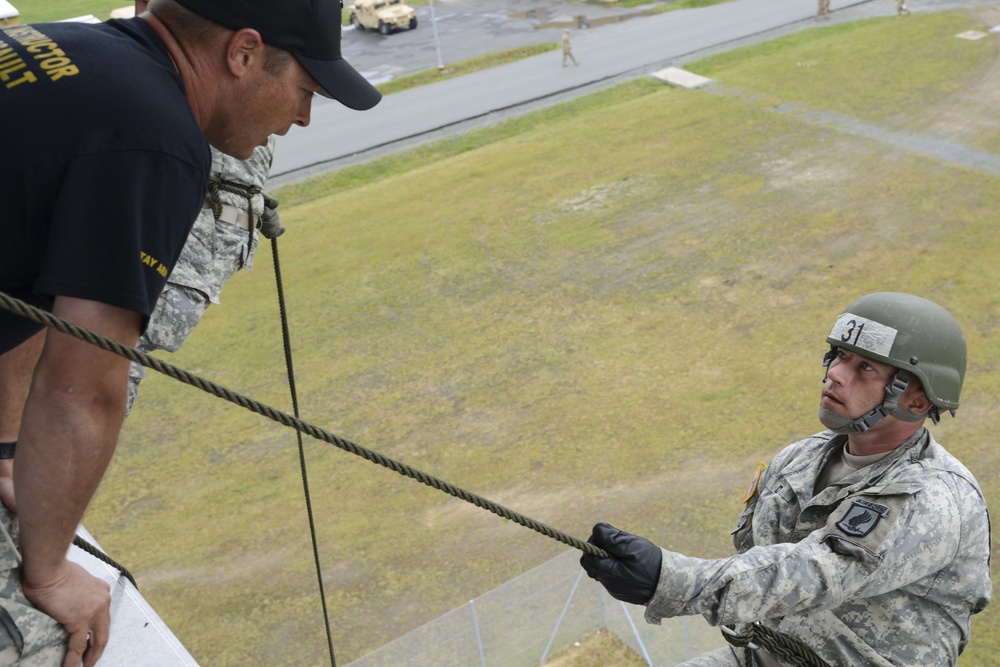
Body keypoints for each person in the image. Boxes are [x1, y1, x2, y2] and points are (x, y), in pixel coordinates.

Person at [0, 1, 380, 665]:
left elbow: (30, 289)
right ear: (244, 54)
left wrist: (7, 448)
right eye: (305, 91)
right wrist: (50, 571)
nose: (302, 119)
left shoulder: (67, 49)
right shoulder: (157, 137)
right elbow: (78, 390)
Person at [581, 292, 991, 667]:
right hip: (766, 655)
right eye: (838, 356)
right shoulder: (801, 459)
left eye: (865, 367)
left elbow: (815, 573)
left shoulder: (934, 498)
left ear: (916, 400)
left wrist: (670, 578)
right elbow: (757, 555)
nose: (836, 374)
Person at [121, 3, 285, 415]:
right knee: (115, 356)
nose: (298, 119)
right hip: (168, 261)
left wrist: (248, 200)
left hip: (216, 224)